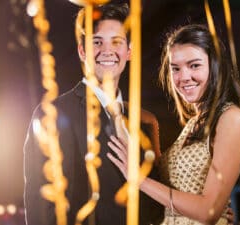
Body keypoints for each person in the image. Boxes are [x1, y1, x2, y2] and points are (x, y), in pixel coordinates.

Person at [23, 3, 163, 225]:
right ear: (82, 51)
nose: (107, 51)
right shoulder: (53, 113)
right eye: (97, 42)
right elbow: (41, 208)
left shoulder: (144, 121)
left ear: (129, 51)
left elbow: (156, 206)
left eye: (116, 41)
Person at [108, 24, 240, 225]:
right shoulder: (195, 123)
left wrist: (138, 179)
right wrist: (150, 123)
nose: (183, 77)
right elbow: (178, 192)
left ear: (215, 66)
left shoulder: (232, 117)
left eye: (194, 65)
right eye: (175, 69)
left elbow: (208, 211)